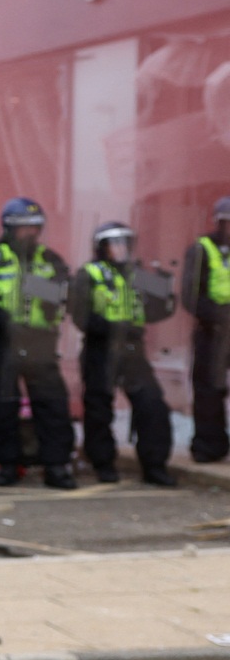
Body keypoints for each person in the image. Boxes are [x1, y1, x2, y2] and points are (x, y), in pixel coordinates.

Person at [0, 197, 76, 489]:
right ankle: (6, 464)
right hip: (3, 340)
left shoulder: (50, 259)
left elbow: (63, 294)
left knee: (52, 404)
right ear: (8, 229)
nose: (29, 234)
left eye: (34, 227)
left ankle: (56, 465)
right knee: (2, 405)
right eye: (23, 228)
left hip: (40, 340)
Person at [72, 221, 176, 486]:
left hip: (133, 350)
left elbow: (159, 311)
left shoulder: (137, 273)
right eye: (113, 244)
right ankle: (104, 464)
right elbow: (80, 316)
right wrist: (112, 327)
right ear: (101, 247)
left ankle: (154, 466)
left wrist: (165, 289)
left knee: (152, 406)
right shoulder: (89, 274)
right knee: (98, 410)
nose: (120, 249)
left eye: (124, 243)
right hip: (100, 349)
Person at [183, 197, 230, 463]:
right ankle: (209, 446)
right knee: (208, 390)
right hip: (212, 331)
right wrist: (219, 317)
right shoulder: (202, 249)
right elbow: (191, 295)